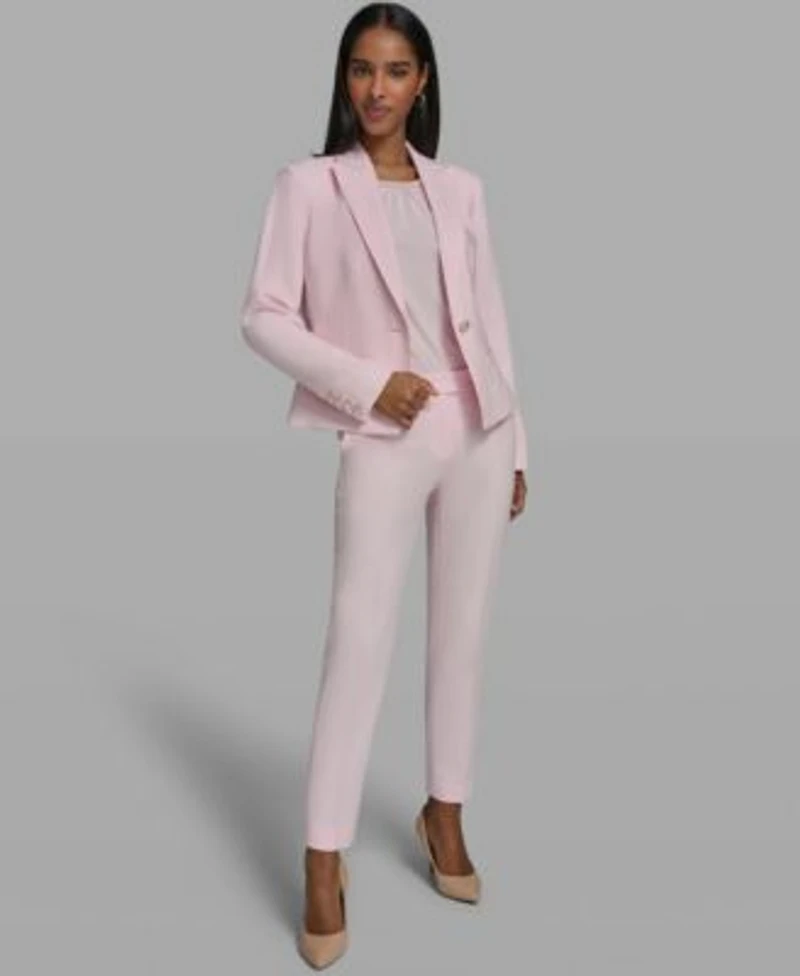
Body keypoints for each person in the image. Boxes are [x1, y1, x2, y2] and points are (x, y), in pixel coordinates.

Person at [239, 3, 528, 967]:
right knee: (359, 639)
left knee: (463, 634)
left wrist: (517, 445)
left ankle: (446, 809)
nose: (377, 89)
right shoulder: (309, 186)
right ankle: (324, 855)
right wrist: (369, 384)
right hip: (384, 431)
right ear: (344, 78)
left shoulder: (462, 189)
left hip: (479, 429)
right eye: (362, 69)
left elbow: (491, 319)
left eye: (397, 71)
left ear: (423, 82)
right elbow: (263, 316)